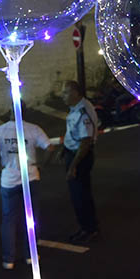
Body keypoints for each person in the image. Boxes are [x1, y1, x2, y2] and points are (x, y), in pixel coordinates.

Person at [0, 103, 54, 269]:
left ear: (9, 113)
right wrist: (42, 164)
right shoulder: (33, 129)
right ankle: (30, 255)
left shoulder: (0, 130)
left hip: (8, 180)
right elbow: (50, 148)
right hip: (30, 178)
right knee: (30, 218)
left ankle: (9, 259)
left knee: (8, 219)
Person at [59, 81, 99, 242]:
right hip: (73, 153)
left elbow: (85, 142)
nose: (63, 96)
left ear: (75, 93)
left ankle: (88, 229)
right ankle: (87, 227)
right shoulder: (77, 107)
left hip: (80, 158)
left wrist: (73, 167)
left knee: (80, 196)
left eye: (65, 93)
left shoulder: (83, 113)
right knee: (80, 194)